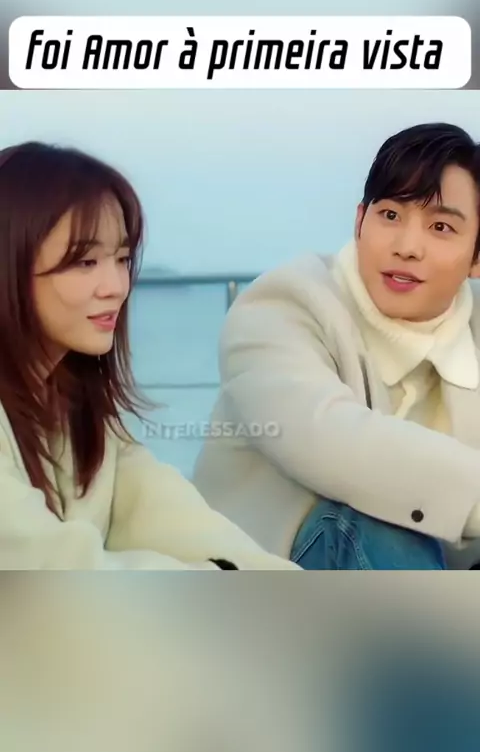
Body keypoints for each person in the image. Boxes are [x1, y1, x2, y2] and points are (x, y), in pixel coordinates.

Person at [0, 140, 300, 570]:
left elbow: (178, 519)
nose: (116, 287)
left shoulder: (78, 411)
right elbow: (52, 571)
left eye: (122, 258)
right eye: (85, 262)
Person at [194, 122, 480, 570]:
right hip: (264, 577)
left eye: (440, 226)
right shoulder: (282, 305)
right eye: (390, 215)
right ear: (359, 221)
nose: (407, 247)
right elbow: (329, 438)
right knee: (374, 521)